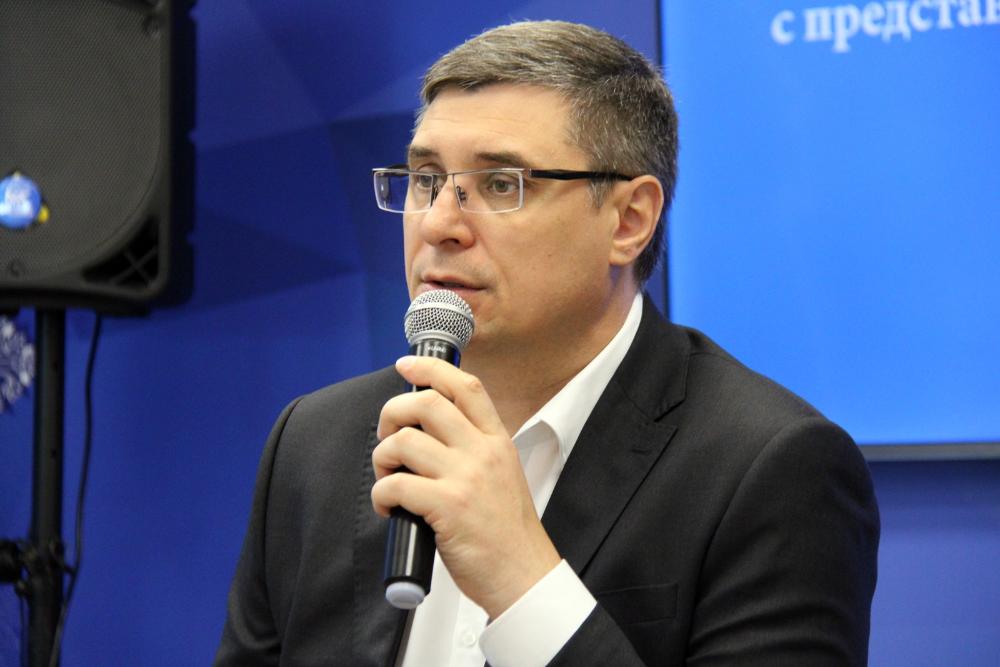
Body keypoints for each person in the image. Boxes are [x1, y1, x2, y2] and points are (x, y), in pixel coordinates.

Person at [215, 20, 879, 666]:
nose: (440, 224)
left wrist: (521, 578)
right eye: (425, 179)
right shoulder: (316, 442)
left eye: (501, 184)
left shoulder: (773, 468)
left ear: (629, 220)